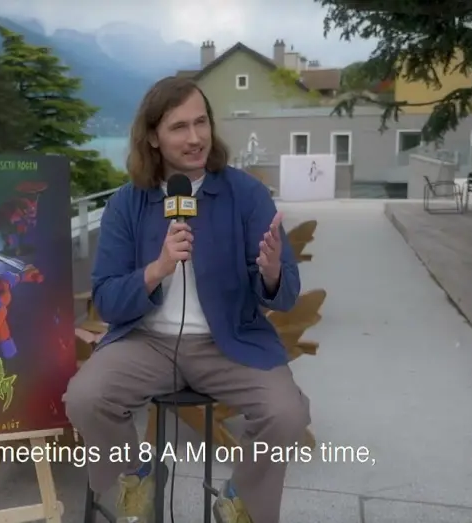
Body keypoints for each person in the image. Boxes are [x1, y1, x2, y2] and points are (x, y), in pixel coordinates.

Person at [63, 76, 311, 523]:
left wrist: (272, 273)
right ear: (153, 137)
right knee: (84, 398)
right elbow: (107, 300)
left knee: (287, 413)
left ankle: (241, 496)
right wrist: (156, 269)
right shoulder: (126, 204)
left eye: (201, 123)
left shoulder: (246, 195)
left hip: (229, 341)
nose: (195, 138)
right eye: (179, 127)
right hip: (146, 342)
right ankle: (137, 473)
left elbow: (288, 295)